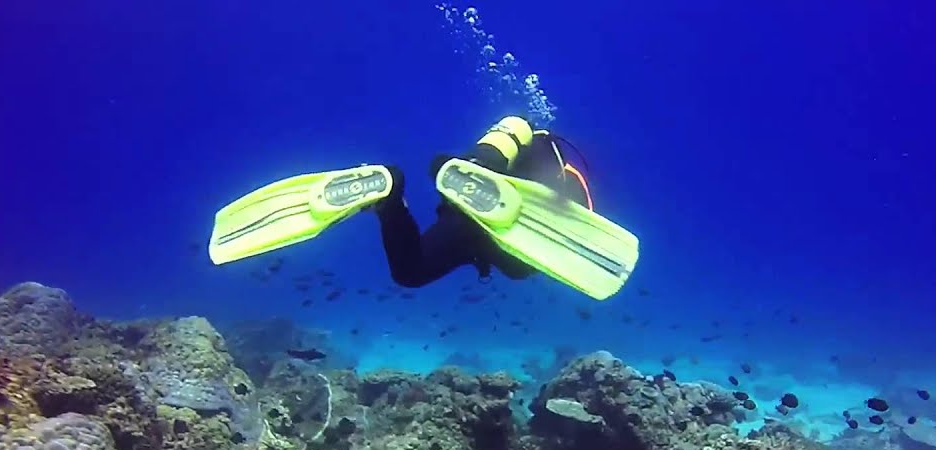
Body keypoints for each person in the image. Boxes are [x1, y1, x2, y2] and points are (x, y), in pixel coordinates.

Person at [208, 116, 637, 300]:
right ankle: (466, 182)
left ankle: (391, 196)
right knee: (523, 269)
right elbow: (579, 214)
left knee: (410, 271)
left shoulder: (530, 145)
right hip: (502, 225)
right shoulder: (559, 160)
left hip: (467, 218)